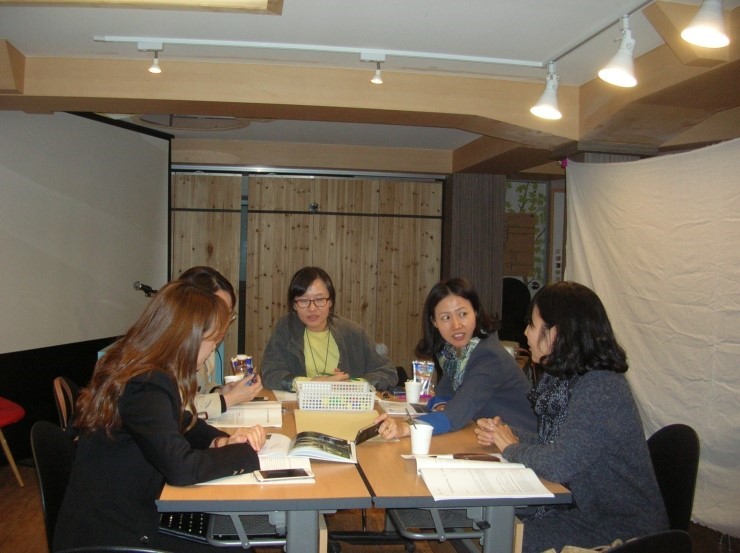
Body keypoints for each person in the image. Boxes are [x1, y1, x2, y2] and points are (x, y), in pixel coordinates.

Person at [54, 280, 266, 551]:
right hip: (114, 532)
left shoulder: (141, 367)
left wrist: (219, 441)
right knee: (237, 546)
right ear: (187, 338)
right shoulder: (146, 383)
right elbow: (182, 468)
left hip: (120, 512)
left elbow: (182, 422)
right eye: (212, 340)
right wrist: (245, 455)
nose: (214, 349)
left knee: (232, 536)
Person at [474, 281, 668, 553]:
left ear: (556, 333)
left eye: (531, 325)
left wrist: (511, 446)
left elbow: (560, 464)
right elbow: (556, 444)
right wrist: (506, 432)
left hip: (620, 526)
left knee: (504, 537)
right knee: (495, 527)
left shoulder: (601, 386)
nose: (526, 332)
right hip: (589, 509)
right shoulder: (571, 378)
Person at [377, 277, 536, 438]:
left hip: (521, 441)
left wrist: (405, 427)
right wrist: (441, 404)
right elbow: (444, 394)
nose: (456, 325)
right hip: (488, 436)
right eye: (446, 317)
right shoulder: (454, 353)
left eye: (463, 314)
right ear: (434, 322)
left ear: (476, 312)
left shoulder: (488, 356)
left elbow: (456, 414)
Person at [261, 266, 397, 392]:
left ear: (330, 302)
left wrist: (352, 384)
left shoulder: (352, 332)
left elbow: (388, 372)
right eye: (303, 301)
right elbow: (270, 373)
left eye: (319, 299)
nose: (312, 308)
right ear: (294, 305)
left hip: (346, 406)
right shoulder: (286, 328)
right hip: (301, 406)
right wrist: (311, 383)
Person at [178, 266, 264, 420]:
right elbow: (178, 408)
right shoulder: (170, 353)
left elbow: (200, 388)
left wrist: (221, 391)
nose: (224, 324)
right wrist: (230, 399)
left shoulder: (206, 344)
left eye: (228, 314)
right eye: (219, 314)